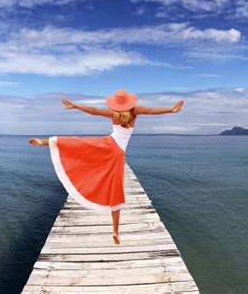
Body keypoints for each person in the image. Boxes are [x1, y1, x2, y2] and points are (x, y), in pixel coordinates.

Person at [29, 89, 184, 244]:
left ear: (116, 103)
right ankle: (115, 231)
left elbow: (94, 111)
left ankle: (48, 141)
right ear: (129, 102)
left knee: (82, 144)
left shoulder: (114, 113)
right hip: (117, 152)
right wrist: (171, 109)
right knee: (115, 191)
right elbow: (152, 111)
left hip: (107, 144)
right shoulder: (135, 112)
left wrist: (76, 106)